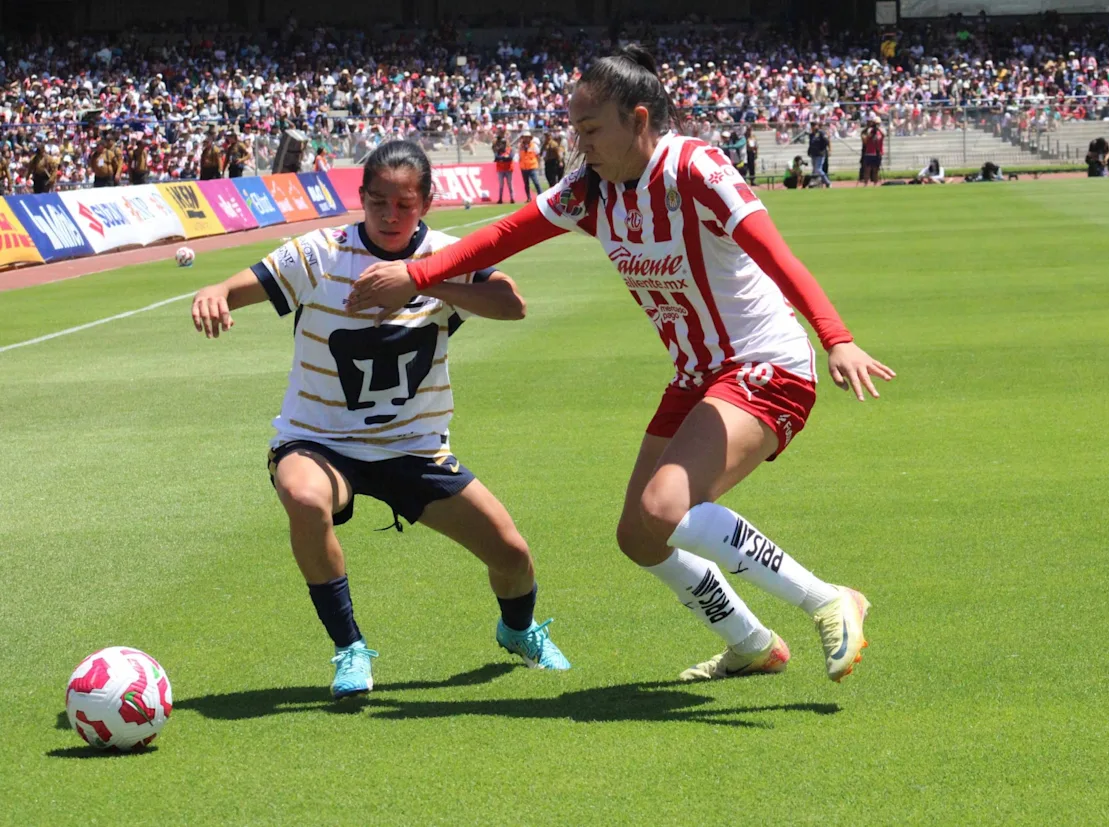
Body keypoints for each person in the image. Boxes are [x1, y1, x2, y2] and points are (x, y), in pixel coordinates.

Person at [346, 46, 894, 684]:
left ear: (638, 120)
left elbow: (775, 254)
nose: (579, 146)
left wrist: (836, 337)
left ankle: (828, 599)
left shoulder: (696, 167)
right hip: (697, 376)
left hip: (763, 362)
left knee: (665, 508)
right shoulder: (590, 189)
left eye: (590, 130)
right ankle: (750, 643)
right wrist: (416, 274)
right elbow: (504, 234)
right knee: (639, 535)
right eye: (574, 131)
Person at [188, 140, 571, 699]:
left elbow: (512, 305)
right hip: (319, 441)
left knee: (511, 555)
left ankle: (518, 630)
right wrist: (215, 291)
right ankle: (349, 649)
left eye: (405, 205)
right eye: (378, 203)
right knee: (304, 497)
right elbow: (237, 286)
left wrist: (420, 279)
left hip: (413, 447)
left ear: (427, 204)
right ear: (361, 198)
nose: (391, 216)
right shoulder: (321, 253)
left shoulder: (446, 254)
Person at [518, 131, 542, 202]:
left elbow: (538, 155)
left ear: (530, 138)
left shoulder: (534, 145)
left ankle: (541, 196)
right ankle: (528, 198)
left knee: (536, 182)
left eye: (527, 137)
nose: (526, 139)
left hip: (532, 167)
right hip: (523, 167)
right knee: (526, 184)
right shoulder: (520, 146)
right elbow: (519, 155)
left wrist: (539, 164)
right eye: (524, 137)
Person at [807, 122, 831, 188]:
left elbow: (826, 141)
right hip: (813, 154)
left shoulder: (821, 133)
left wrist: (822, 149)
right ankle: (815, 183)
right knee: (814, 170)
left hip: (820, 154)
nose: (813, 127)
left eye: (814, 125)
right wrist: (809, 151)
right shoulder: (811, 135)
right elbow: (811, 144)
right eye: (812, 126)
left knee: (818, 169)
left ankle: (828, 182)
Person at [493, 135, 516, 204]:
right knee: (501, 185)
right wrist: (504, 158)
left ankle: (512, 198)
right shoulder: (498, 150)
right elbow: (496, 158)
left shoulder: (510, 149)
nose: (502, 144)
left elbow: (510, 158)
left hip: (508, 169)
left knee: (510, 184)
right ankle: (500, 199)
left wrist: (502, 159)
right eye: (501, 143)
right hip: (500, 169)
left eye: (504, 143)